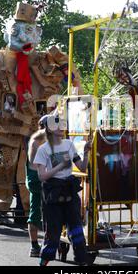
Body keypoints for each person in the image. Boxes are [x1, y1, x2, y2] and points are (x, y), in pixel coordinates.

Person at [33, 114, 92, 266]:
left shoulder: (69, 144)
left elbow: (82, 167)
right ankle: (43, 262)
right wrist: (60, 166)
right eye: (56, 125)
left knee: (77, 231)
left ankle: (81, 260)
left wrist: (86, 152)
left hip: (69, 192)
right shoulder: (43, 149)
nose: (61, 128)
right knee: (52, 234)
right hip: (52, 194)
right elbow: (42, 176)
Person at [26, 126, 47, 257]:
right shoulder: (36, 140)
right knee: (40, 212)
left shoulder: (37, 140)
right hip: (38, 180)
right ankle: (35, 246)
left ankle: (35, 246)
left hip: (35, 179)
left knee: (36, 211)